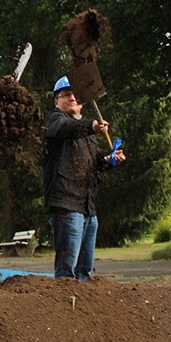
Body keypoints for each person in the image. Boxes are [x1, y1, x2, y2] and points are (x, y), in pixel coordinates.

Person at [43, 76, 125, 281]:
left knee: (84, 272)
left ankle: (83, 311)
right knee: (66, 272)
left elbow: (95, 163)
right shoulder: (55, 120)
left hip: (87, 206)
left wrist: (110, 160)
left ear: (82, 101)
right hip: (66, 204)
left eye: (74, 94)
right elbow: (65, 129)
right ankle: (64, 309)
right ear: (56, 101)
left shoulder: (86, 133)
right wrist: (92, 126)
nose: (71, 97)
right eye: (65, 94)